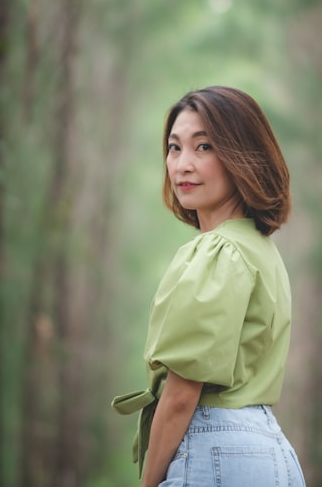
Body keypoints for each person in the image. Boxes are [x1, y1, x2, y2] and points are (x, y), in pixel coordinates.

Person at [112, 86, 306, 487]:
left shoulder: (217, 251)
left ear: (241, 157)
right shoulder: (261, 251)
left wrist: (148, 483)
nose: (183, 164)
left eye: (204, 147)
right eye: (174, 148)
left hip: (216, 452)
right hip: (273, 454)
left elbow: (183, 394)